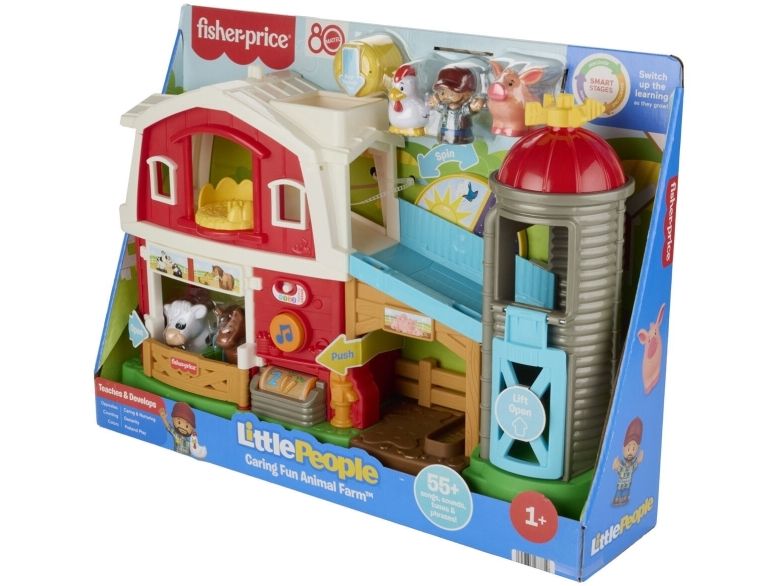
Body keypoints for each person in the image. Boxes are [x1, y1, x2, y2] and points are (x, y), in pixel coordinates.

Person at [427, 65, 485, 144]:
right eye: (442, 92)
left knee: (462, 136)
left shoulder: (463, 108)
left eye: (451, 93)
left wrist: (475, 106)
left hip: (462, 132)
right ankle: (445, 138)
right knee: (445, 136)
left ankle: (461, 139)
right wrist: (434, 102)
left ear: (468, 93)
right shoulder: (444, 107)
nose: (446, 96)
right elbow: (438, 107)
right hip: (445, 131)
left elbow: (469, 109)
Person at [612, 417, 644, 506]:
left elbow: (633, 467)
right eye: (628, 448)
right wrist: (616, 466)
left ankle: (624, 499)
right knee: (619, 493)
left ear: (637, 449)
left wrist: (638, 461)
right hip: (620, 485)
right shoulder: (622, 464)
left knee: (626, 492)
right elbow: (620, 470)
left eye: (633, 449)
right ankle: (617, 499)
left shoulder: (632, 465)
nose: (630, 452)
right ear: (624, 448)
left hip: (627, 484)